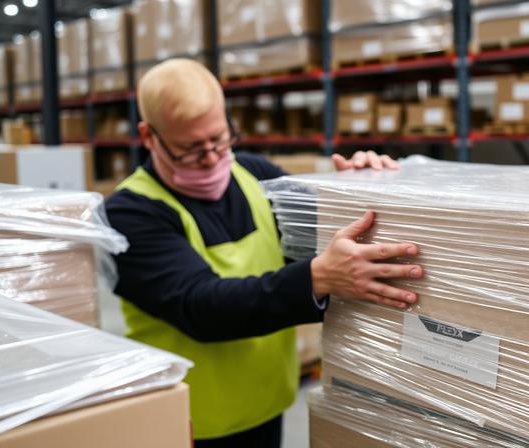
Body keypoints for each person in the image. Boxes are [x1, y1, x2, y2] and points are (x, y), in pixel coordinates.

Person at [105, 59, 422, 447]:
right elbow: (200, 306)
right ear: (149, 136)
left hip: (267, 403)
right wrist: (317, 277)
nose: (212, 158)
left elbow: (328, 242)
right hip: (189, 422)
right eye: (190, 149)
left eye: (220, 139)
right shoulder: (129, 212)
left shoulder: (256, 175)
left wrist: (362, 187)